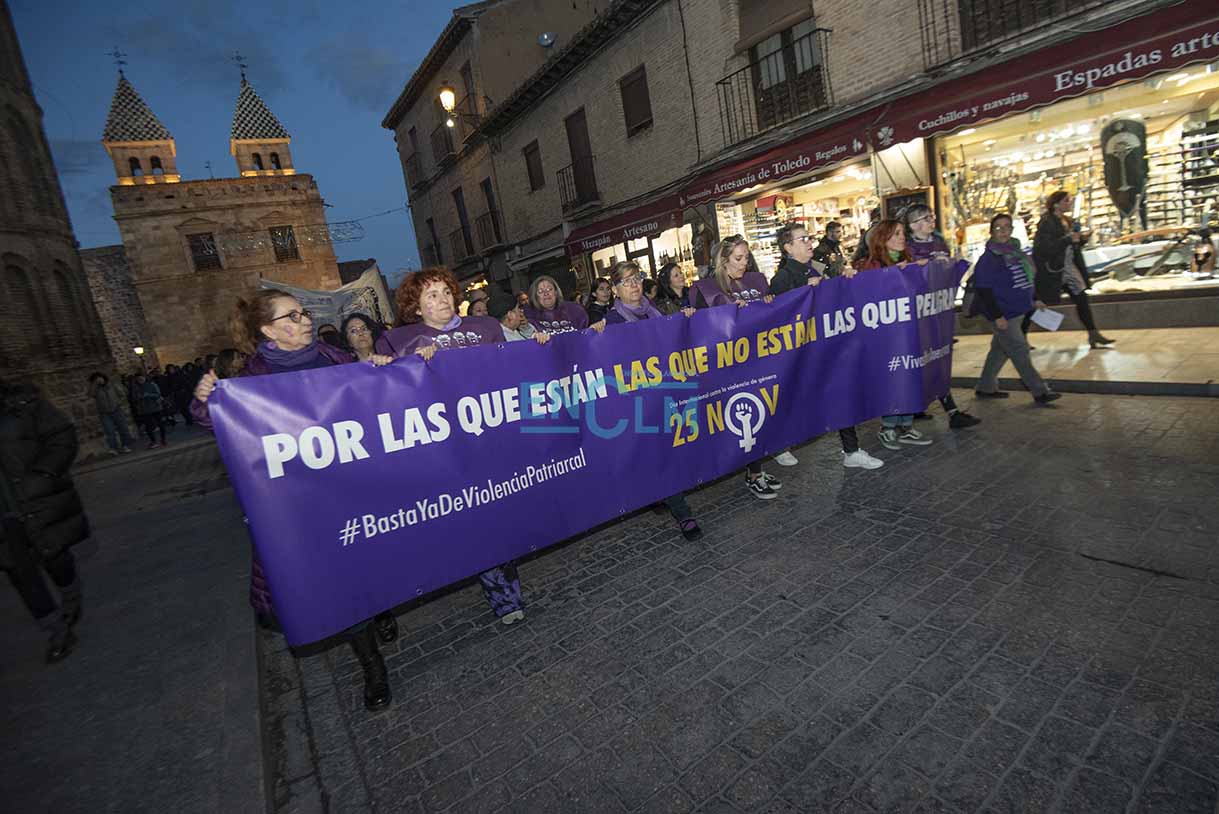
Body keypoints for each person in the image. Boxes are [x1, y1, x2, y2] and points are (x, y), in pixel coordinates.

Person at [191, 290, 400, 710]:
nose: (304, 319)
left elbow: (375, 399)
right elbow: (216, 422)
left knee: (372, 565)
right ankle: (372, 664)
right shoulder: (250, 380)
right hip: (308, 504)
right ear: (268, 330)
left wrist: (377, 369)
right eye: (292, 315)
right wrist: (202, 401)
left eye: (304, 312)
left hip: (358, 488)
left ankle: (381, 608)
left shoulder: (334, 358)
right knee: (346, 585)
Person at [375, 269, 529, 622]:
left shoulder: (485, 328)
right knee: (479, 520)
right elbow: (389, 396)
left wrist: (536, 346)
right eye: (431, 295)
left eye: (445, 291)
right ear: (415, 307)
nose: (442, 299)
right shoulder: (401, 341)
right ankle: (505, 599)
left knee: (500, 516)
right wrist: (387, 366)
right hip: (450, 450)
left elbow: (514, 366)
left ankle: (509, 581)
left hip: (494, 437)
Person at [768, 223, 883, 471]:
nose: (809, 242)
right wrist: (805, 293)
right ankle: (779, 443)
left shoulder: (819, 268)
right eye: (802, 239)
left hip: (828, 346)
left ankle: (851, 450)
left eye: (808, 237)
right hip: (802, 355)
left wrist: (845, 280)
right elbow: (780, 319)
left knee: (842, 393)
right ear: (788, 247)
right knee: (797, 400)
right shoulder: (782, 279)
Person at [602, 261, 704, 539]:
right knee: (660, 454)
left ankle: (657, 493)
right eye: (626, 281)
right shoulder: (611, 322)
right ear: (614, 290)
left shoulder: (655, 311)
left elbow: (676, 339)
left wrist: (688, 320)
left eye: (637, 278)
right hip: (640, 401)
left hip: (668, 391)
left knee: (665, 452)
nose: (634, 285)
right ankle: (683, 513)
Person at [1, 379, 88, 663]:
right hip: (4, 517)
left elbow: (62, 436)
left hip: (35, 500)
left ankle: (71, 596)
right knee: (20, 573)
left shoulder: (23, 401)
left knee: (55, 557)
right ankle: (56, 630)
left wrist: (43, 474)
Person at [692, 237, 783, 499]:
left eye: (746, 257)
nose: (745, 263)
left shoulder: (756, 281)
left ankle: (756, 469)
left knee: (762, 413)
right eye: (738, 258)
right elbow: (701, 332)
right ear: (723, 260)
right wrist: (727, 316)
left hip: (759, 359)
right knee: (746, 418)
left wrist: (770, 303)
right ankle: (752, 474)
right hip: (729, 367)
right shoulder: (706, 290)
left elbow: (770, 316)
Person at [857, 220, 935, 451]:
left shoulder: (909, 261)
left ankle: (906, 426)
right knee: (893, 379)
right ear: (883, 238)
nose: (902, 237)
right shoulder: (870, 266)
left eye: (903, 233)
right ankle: (889, 426)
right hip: (887, 338)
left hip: (910, 333)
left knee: (910, 377)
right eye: (896, 233)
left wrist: (924, 271)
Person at [901, 205, 981, 430]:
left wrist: (952, 265)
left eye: (931, 216)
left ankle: (924, 408)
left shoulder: (938, 242)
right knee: (931, 363)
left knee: (937, 361)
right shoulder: (907, 248)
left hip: (938, 313)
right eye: (925, 218)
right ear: (914, 225)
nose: (931, 221)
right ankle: (949, 412)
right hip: (920, 318)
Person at [972, 214, 1062, 405]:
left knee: (1000, 350)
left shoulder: (1017, 253)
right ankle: (1040, 391)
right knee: (1019, 349)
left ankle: (985, 387)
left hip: (1019, 310)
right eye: (998, 228)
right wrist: (997, 316)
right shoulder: (989, 259)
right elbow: (983, 290)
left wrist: (1035, 299)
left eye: (1007, 227)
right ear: (991, 231)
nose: (1003, 231)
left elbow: (1025, 280)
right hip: (1004, 313)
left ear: (1012, 229)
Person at [1032, 191, 1115, 349]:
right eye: (1066, 200)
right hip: (1054, 270)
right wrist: (1068, 239)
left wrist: (1080, 240)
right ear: (1056, 204)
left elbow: (1068, 244)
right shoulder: (1047, 222)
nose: (1069, 203)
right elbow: (1044, 248)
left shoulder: (1065, 221)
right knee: (1039, 302)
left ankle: (1093, 333)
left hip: (1068, 269)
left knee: (1081, 299)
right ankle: (1019, 336)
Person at [524, 275, 604, 334]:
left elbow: (586, 334)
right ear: (535, 296)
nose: (546, 293)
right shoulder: (528, 314)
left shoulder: (575, 310)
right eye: (540, 291)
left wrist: (593, 329)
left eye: (549, 289)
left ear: (556, 292)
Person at [88, 372, 134, 455]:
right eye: (96, 379)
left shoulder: (112, 385)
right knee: (110, 431)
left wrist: (119, 402)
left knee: (123, 428)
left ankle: (125, 446)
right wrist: (95, 384)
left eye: (100, 378)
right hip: (104, 413)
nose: (99, 380)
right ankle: (113, 448)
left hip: (116, 410)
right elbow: (90, 394)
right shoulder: (95, 389)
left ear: (103, 378)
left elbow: (122, 393)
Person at [133, 372, 167, 449]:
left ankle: (163, 440)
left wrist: (148, 395)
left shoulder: (152, 384)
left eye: (141, 378)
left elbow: (158, 394)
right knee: (148, 427)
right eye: (138, 379)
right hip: (144, 410)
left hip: (155, 407)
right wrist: (138, 397)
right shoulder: (135, 387)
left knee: (160, 424)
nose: (140, 380)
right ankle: (153, 441)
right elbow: (134, 398)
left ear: (144, 378)